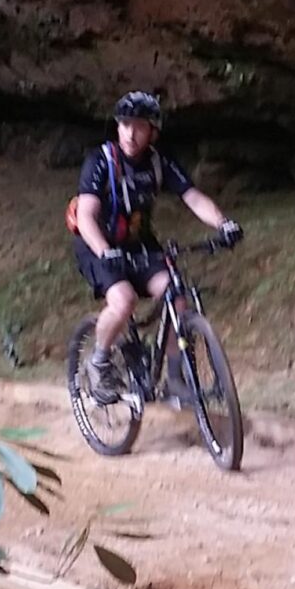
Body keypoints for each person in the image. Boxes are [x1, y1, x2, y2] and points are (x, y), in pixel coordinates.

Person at [68, 92, 239, 400]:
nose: (131, 133)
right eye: (125, 125)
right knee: (123, 300)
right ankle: (99, 362)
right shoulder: (101, 161)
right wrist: (105, 251)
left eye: (140, 127)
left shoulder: (160, 161)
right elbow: (86, 216)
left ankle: (176, 381)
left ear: (153, 132)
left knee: (177, 297)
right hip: (96, 243)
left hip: (138, 243)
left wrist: (223, 223)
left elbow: (192, 196)